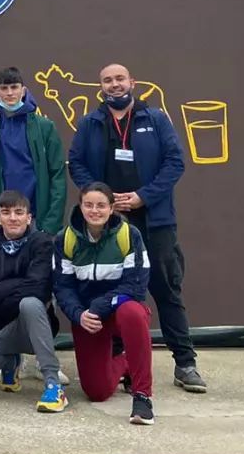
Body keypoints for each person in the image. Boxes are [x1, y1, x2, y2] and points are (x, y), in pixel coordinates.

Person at [68, 63, 206, 394]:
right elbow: (77, 164)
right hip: (110, 222)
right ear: (100, 86)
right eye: (107, 80)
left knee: (165, 289)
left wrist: (143, 197)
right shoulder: (91, 123)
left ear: (132, 82)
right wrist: (102, 199)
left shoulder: (156, 119)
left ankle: (185, 363)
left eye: (119, 79)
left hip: (154, 219)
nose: (114, 85)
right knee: (113, 294)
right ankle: (122, 363)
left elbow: (175, 163)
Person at [53, 183, 155, 425]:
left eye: (101, 205)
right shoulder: (65, 239)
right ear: (80, 206)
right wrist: (79, 315)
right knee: (96, 393)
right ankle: (125, 364)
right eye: (88, 205)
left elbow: (135, 286)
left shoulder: (129, 235)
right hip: (89, 319)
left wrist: (100, 305)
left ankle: (142, 397)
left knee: (133, 312)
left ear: (111, 209)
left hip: (119, 309)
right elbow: (63, 288)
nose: (94, 211)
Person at [0, 190, 67, 413]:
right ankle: (9, 362)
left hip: (33, 327)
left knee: (31, 304)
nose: (13, 218)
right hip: (0, 326)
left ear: (29, 217)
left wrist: (1, 290)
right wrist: (19, 283)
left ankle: (53, 384)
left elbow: (39, 289)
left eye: (19, 212)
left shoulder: (42, 243)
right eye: (6, 212)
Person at [0, 68, 66, 237]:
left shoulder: (45, 127)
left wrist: (51, 223)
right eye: (4, 88)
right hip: (0, 221)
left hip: (38, 219)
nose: (9, 93)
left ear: (23, 91)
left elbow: (57, 175)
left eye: (14, 87)